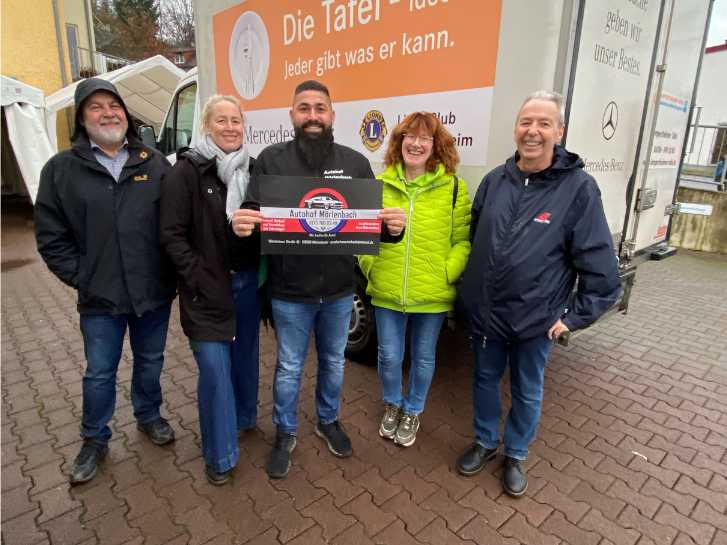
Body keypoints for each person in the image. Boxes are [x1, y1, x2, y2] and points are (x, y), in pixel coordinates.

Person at [231, 80, 407, 479]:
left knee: (333, 363)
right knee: (289, 366)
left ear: (332, 114)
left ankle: (328, 420)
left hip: (340, 291)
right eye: (304, 108)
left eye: (320, 108)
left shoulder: (355, 162)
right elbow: (255, 215)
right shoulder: (271, 161)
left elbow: (369, 227)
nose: (313, 116)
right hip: (289, 291)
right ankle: (285, 431)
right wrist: (242, 223)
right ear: (292, 115)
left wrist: (394, 229)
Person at [455, 91, 621, 497]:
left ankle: (515, 453)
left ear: (559, 132)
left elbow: (601, 268)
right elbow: (478, 240)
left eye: (544, 124)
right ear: (515, 128)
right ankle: (484, 441)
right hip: (489, 315)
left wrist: (573, 315)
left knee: (527, 391)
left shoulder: (579, 188)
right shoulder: (495, 180)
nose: (533, 131)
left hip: (536, 321)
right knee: (484, 380)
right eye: (526, 122)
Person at [35, 78, 176, 485]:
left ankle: (149, 415)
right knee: (99, 372)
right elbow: (50, 236)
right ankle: (94, 438)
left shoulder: (153, 162)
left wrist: (172, 272)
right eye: (95, 107)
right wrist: (83, 278)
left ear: (126, 114)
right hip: (100, 297)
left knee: (151, 361)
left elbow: (174, 223)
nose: (107, 113)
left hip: (153, 291)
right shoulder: (61, 170)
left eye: (113, 105)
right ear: (81, 117)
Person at [160, 95, 261, 485]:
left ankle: (245, 418)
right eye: (222, 120)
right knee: (216, 372)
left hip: (246, 283)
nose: (231, 127)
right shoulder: (185, 172)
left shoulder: (252, 169)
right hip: (205, 291)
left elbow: (266, 224)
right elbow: (171, 235)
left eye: (236, 120)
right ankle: (220, 457)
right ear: (207, 126)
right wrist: (197, 276)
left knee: (245, 357)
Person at [357, 112, 471, 448]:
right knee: (389, 356)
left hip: (432, 291)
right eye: (410, 136)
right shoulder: (380, 186)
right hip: (388, 286)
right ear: (399, 141)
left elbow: (463, 240)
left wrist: (447, 272)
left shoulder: (452, 187)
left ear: (437, 147)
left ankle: (413, 410)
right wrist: (371, 268)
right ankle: (392, 403)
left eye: (425, 138)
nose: (416, 143)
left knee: (423, 358)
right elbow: (362, 237)